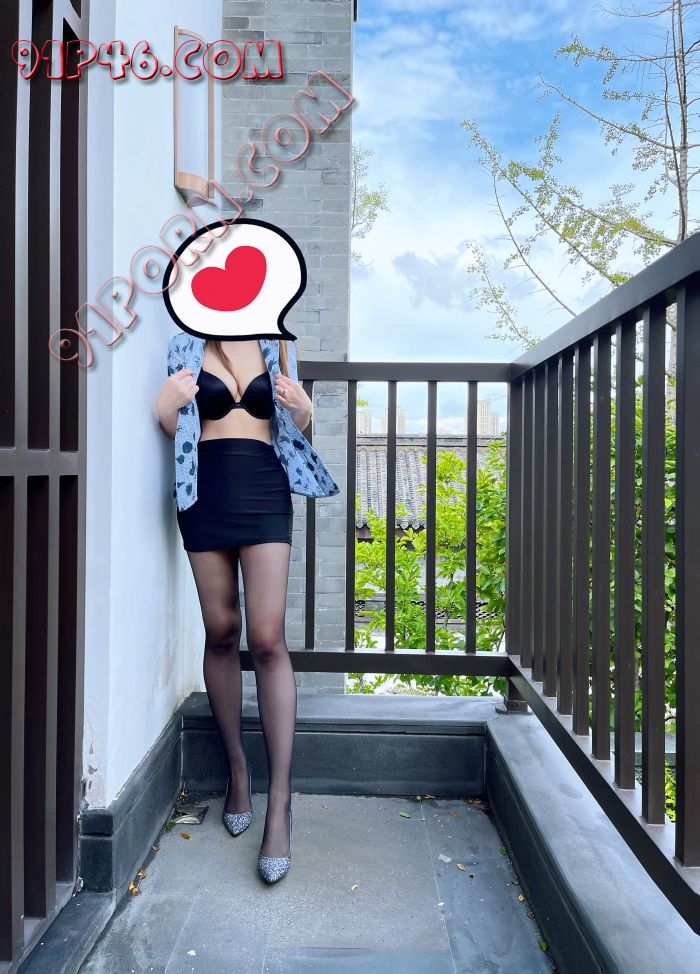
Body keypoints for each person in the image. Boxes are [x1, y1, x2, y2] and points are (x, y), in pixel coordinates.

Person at [155, 335, 323, 884]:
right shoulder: (185, 343)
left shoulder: (278, 343)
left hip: (264, 486)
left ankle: (280, 802)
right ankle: (238, 773)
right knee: (222, 630)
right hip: (203, 488)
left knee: (268, 638)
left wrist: (305, 411)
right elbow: (177, 428)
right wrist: (165, 408)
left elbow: (292, 428)